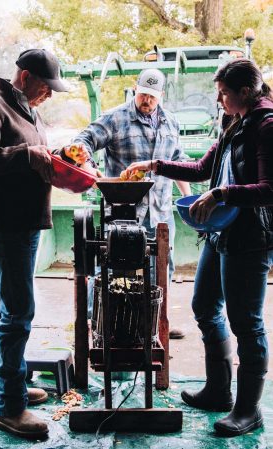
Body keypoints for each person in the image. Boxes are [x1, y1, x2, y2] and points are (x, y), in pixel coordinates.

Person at [125, 58, 273, 437]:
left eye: (224, 92)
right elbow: (201, 169)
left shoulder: (266, 126)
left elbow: (269, 189)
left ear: (245, 92)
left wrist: (221, 193)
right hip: (221, 232)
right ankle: (219, 391)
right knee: (205, 306)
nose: (219, 98)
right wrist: (153, 164)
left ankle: (248, 409)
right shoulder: (233, 123)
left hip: (250, 238)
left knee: (247, 322)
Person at [0, 49, 71, 440]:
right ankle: (11, 408)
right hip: (6, 224)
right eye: (46, 86)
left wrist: (55, 158)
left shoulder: (29, 109)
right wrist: (27, 155)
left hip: (25, 223)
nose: (49, 94)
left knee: (6, 305)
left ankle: (1, 389)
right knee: (18, 311)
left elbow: (31, 157)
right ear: (26, 76)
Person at [64, 68, 191, 339]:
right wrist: (90, 167)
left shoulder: (171, 122)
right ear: (136, 88)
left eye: (153, 97)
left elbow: (179, 162)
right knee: (110, 264)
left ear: (162, 96)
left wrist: (189, 200)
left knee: (163, 265)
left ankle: (156, 323)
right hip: (124, 211)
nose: (148, 101)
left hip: (161, 211)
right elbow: (82, 141)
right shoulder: (115, 118)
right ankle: (93, 321)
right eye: (144, 94)